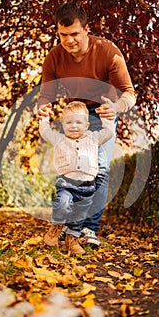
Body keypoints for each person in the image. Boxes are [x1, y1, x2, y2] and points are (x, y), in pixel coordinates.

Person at [37, 2, 137, 246]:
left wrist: (115, 108)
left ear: (86, 30)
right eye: (63, 35)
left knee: (99, 169)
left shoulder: (108, 52)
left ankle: (88, 230)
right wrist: (43, 108)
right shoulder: (55, 57)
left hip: (103, 112)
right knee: (70, 168)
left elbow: (129, 93)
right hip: (74, 114)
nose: (69, 40)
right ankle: (66, 224)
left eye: (74, 34)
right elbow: (45, 94)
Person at [39, 101, 115, 255]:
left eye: (78, 122)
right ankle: (57, 226)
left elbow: (109, 132)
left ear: (87, 125)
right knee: (63, 203)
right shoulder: (59, 139)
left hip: (87, 187)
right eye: (69, 122)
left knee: (79, 216)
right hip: (66, 184)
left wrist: (106, 118)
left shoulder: (94, 138)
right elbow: (45, 131)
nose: (73, 126)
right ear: (63, 124)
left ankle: (71, 241)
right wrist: (44, 118)